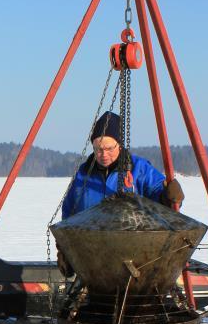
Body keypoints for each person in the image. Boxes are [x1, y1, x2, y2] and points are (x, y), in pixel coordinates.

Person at [58, 111, 184, 274]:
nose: (103, 155)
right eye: (98, 149)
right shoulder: (83, 174)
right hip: (92, 257)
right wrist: (65, 248)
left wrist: (169, 195)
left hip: (133, 256)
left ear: (120, 144)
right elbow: (69, 212)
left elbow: (161, 196)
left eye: (109, 148)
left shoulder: (139, 169)